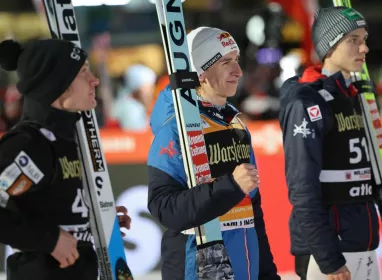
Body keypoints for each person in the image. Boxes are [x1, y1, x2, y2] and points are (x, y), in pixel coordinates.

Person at [147, 27, 280, 279]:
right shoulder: (175, 127)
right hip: (195, 267)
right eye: (225, 62)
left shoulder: (235, 123)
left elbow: (253, 211)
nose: (238, 71)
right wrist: (229, 186)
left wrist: (267, 274)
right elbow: (163, 208)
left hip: (245, 265)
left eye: (237, 61)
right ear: (201, 72)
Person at [0, 39, 131, 280]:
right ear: (57, 85)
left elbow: (50, 208)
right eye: (83, 72)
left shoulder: (67, 138)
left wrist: (94, 220)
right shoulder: (32, 144)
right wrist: (49, 241)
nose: (95, 79)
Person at [279, 6, 380, 280]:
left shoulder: (357, 97)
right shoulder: (307, 101)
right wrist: (328, 259)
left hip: (364, 243)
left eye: (365, 40)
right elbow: (302, 189)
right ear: (330, 45)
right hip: (330, 253)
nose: (364, 49)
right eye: (354, 41)